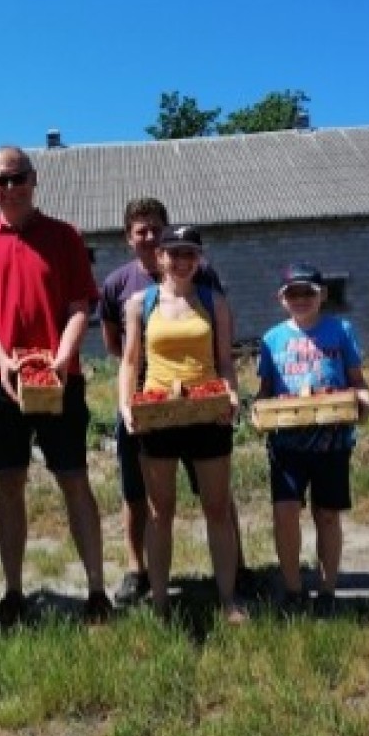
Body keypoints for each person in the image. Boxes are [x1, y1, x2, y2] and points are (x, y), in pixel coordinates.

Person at [0, 145, 112, 624]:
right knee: (9, 482)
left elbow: (81, 305)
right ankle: (14, 591)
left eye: (17, 177)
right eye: (0, 180)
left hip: (59, 378)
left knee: (74, 478)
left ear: (33, 179)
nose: (9, 187)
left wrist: (63, 357)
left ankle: (97, 590)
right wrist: (3, 360)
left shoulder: (64, 236)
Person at [100, 197, 248, 607]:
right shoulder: (138, 304)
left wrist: (231, 392)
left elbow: (224, 360)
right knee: (159, 511)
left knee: (217, 508)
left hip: (205, 410)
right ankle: (161, 599)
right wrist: (128, 405)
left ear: (198, 259)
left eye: (190, 254)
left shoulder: (213, 301)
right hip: (159, 412)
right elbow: (129, 361)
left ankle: (229, 597)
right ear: (160, 257)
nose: (181, 261)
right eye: (174, 253)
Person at [255, 263, 369, 618]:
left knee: (327, 515)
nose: (301, 299)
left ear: (322, 295)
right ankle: (292, 590)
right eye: (294, 293)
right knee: (285, 513)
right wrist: (257, 412)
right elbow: (264, 392)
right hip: (287, 445)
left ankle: (327, 591)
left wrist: (363, 401)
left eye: (308, 292)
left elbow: (357, 380)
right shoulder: (272, 339)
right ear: (282, 298)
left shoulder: (340, 331)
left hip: (332, 441)